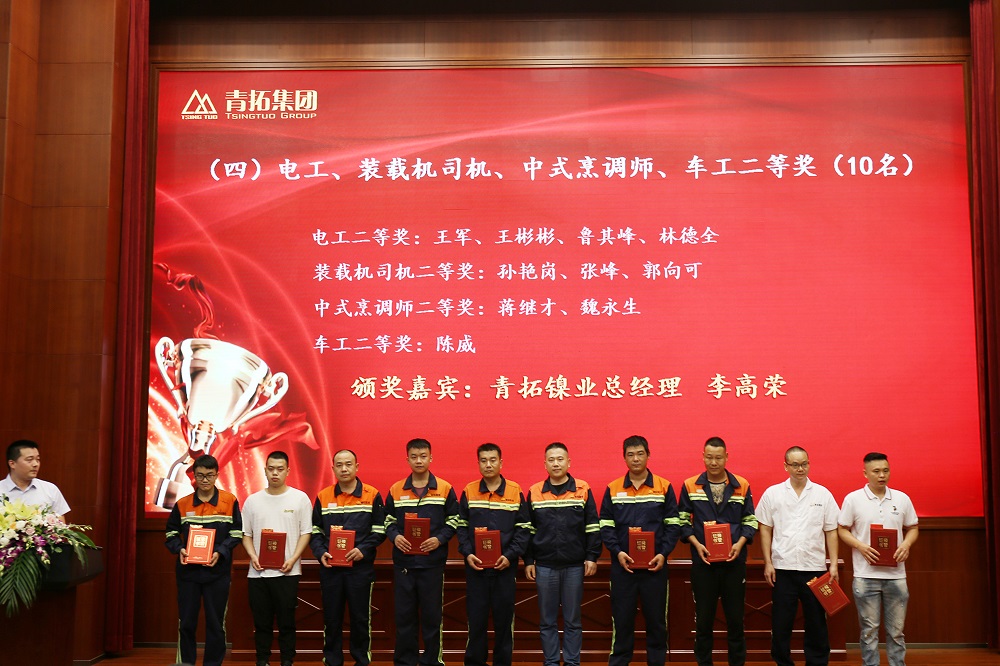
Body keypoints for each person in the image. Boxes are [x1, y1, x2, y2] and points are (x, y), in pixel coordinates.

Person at [599, 435, 681, 666]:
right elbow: (606, 525)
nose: (635, 459)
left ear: (648, 455)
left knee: (656, 622)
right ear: (624, 458)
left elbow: (673, 524)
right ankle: (619, 661)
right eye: (630, 454)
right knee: (622, 621)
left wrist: (663, 554)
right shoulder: (613, 488)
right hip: (623, 568)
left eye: (640, 454)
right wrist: (617, 552)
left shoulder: (663, 487)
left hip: (655, 567)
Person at [678, 436, 758, 666]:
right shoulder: (690, 485)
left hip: (734, 563)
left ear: (726, 457)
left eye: (718, 458)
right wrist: (696, 544)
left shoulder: (741, 485)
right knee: (704, 621)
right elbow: (682, 521)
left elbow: (750, 521)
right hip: (704, 564)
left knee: (735, 621)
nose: (714, 462)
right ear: (703, 457)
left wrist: (740, 543)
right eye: (709, 457)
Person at [756, 446, 840, 666]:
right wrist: (768, 562)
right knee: (781, 623)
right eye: (795, 465)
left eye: (804, 464)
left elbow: (831, 530)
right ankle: (783, 662)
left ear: (809, 464)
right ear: (786, 466)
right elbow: (765, 528)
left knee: (816, 622)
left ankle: (817, 662)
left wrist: (833, 564)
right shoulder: (773, 493)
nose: (800, 469)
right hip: (782, 569)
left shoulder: (822, 494)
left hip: (814, 569)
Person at [384, 438, 461, 666]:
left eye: (423, 456)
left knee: (432, 617)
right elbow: (387, 520)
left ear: (431, 458)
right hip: (404, 564)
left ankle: (432, 661)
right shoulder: (396, 489)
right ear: (407, 459)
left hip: (432, 564)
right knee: (404, 617)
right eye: (414, 457)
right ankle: (405, 661)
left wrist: (439, 539)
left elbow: (454, 519)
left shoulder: (444, 489)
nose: (419, 461)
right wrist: (395, 536)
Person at [837, 452, 919, 666]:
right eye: (876, 471)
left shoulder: (901, 498)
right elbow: (842, 529)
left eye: (886, 470)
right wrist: (860, 546)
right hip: (865, 576)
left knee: (896, 632)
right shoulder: (853, 499)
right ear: (865, 473)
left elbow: (913, 527)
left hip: (896, 576)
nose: (882, 475)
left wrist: (906, 544)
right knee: (869, 631)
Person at [524, 442, 601, 666]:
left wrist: (592, 556)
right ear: (545, 464)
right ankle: (550, 662)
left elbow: (592, 526)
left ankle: (571, 662)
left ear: (569, 462)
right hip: (544, 565)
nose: (556, 463)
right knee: (547, 620)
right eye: (551, 460)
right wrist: (528, 560)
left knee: (573, 620)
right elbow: (528, 529)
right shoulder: (535, 492)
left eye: (560, 459)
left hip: (574, 565)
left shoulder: (582, 489)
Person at [456, 443, 532, 666]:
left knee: (504, 621)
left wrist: (510, 555)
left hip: (505, 569)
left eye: (492, 460)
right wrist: (468, 553)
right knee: (476, 620)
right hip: (476, 568)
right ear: (478, 463)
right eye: (483, 460)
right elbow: (461, 527)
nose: (488, 465)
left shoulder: (515, 491)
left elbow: (524, 528)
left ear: (501, 462)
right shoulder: (469, 491)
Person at [164, 454, 244, 666]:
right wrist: (180, 549)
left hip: (217, 573)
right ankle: (186, 663)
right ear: (194, 476)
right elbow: (170, 534)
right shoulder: (182, 504)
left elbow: (237, 533)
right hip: (188, 574)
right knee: (186, 623)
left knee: (216, 623)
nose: (205, 480)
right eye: (200, 475)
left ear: (217, 475)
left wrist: (221, 552)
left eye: (209, 475)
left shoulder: (229, 501)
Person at [310, 449, 387, 666]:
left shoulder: (372, 495)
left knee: (360, 618)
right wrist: (320, 552)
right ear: (333, 468)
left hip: (360, 569)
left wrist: (363, 549)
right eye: (339, 465)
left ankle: (361, 660)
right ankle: (332, 661)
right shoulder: (323, 496)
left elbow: (380, 529)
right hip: (331, 569)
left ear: (357, 467)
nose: (344, 469)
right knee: (331, 618)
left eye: (348, 464)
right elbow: (315, 530)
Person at [241, 450, 314, 666]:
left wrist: (293, 559)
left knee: (287, 622)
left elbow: (306, 533)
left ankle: (287, 660)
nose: (275, 473)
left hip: (288, 572)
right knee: (261, 622)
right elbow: (246, 535)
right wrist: (253, 555)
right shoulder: (253, 501)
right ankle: (262, 660)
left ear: (288, 471)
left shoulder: (300, 498)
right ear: (265, 470)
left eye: (280, 469)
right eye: (271, 469)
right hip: (258, 573)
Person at [2, 439, 70, 517]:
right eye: (29, 460)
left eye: (37, 459)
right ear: (12, 464)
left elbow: (60, 523)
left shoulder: (50, 490)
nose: (35, 464)